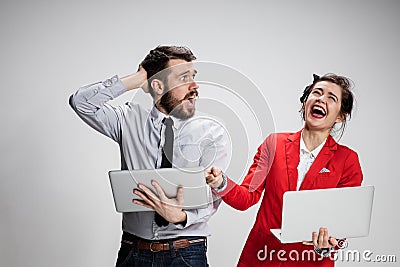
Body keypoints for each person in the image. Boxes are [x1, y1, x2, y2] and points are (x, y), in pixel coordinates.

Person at [69, 46, 229, 267]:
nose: (194, 86)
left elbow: (215, 194)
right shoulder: (127, 120)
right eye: (184, 78)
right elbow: (81, 103)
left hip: (187, 252)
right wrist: (136, 79)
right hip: (134, 252)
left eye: (193, 77)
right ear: (157, 85)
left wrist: (182, 217)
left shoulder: (211, 133)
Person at [205, 74, 363, 266]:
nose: (321, 99)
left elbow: (343, 222)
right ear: (305, 103)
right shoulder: (274, 144)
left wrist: (327, 246)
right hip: (261, 257)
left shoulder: (347, 160)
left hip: (309, 261)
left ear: (340, 116)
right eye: (317, 93)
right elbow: (247, 197)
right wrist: (220, 183)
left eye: (331, 97)